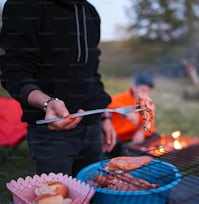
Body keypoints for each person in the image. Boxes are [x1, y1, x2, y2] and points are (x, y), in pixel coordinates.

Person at [0, 0, 116, 177]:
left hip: (93, 129)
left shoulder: (90, 12)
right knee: (57, 195)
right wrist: (47, 103)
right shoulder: (23, 5)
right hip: (51, 133)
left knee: (91, 193)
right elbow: (15, 73)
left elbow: (92, 73)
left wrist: (105, 117)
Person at [105, 72, 159, 157]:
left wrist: (141, 132)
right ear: (134, 87)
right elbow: (107, 101)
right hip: (118, 137)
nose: (146, 94)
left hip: (133, 137)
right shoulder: (121, 98)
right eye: (143, 90)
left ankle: (138, 151)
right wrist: (126, 111)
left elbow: (150, 125)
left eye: (148, 91)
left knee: (155, 137)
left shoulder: (146, 103)